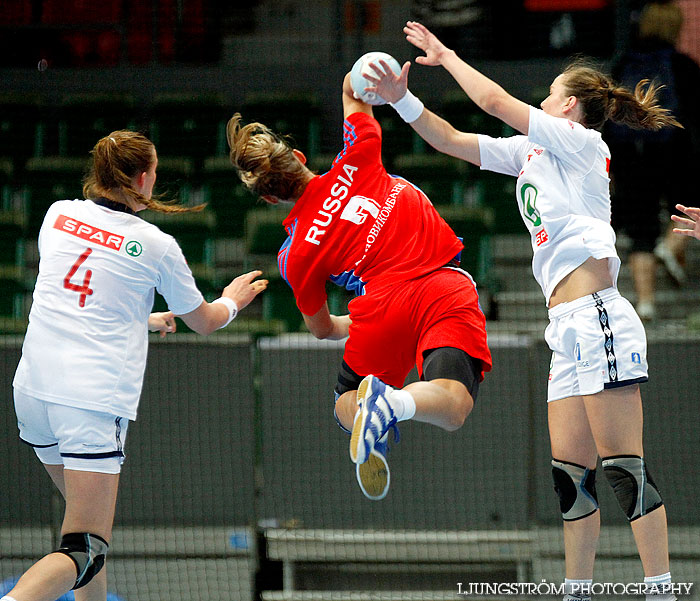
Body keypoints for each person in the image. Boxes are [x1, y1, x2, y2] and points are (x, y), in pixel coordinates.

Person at [364, 20, 680, 601]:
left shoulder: (581, 143)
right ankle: (577, 591)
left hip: (598, 316)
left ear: (573, 107)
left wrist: (445, 55)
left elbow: (489, 99)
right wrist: (402, 100)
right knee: (571, 481)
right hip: (564, 329)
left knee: (624, 470)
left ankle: (660, 587)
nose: (542, 97)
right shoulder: (535, 150)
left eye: (552, 91)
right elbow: (450, 140)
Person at [3, 130, 267, 601]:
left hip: (33, 392)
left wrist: (138, 319)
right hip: (88, 402)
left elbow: (74, 295)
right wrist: (231, 301)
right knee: (85, 546)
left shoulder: (57, 214)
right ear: (144, 179)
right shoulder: (155, 243)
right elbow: (204, 322)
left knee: (84, 529)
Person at [226, 72, 492, 502]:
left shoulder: (294, 256)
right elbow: (351, 87)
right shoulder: (357, 156)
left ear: (271, 199)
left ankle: (376, 407)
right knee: (454, 406)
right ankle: (396, 405)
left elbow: (322, 329)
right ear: (297, 155)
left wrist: (360, 319)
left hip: (380, 310)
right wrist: (361, 73)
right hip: (444, 285)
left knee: (344, 400)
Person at [606, 0, 700, 321]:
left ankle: (645, 304)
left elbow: (607, 115)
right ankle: (669, 248)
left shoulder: (622, 65)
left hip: (626, 152)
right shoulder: (683, 66)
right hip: (673, 149)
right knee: (688, 206)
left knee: (640, 225)